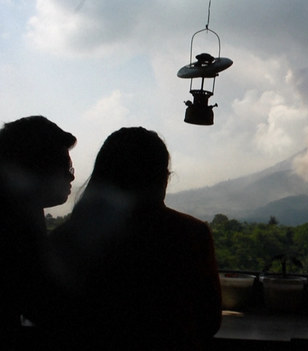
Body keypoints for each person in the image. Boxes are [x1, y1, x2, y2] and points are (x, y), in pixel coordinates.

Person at [48, 127, 221, 350]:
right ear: (162, 177)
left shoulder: (66, 239)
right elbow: (209, 322)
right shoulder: (191, 235)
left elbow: (52, 318)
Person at [0, 116, 76, 346]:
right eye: (66, 167)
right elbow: (42, 305)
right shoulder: (16, 225)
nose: (72, 176)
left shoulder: (19, 213)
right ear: (40, 166)